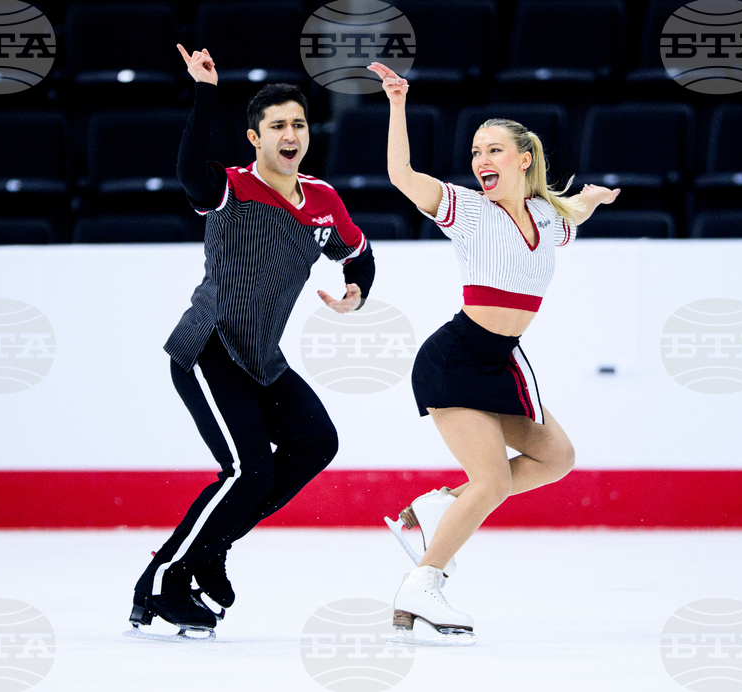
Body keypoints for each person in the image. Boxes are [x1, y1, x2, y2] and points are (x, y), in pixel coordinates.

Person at [126, 46, 376, 641]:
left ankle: (211, 549)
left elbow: (359, 253)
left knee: (315, 441)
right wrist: (204, 92)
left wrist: (355, 292)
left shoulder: (321, 201)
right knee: (246, 470)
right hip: (208, 345)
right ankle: (162, 583)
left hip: (261, 357)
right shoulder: (231, 188)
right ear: (254, 138)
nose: (290, 135)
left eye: (298, 124)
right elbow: (190, 170)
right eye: (277, 127)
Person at [368, 62, 619, 646]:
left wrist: (593, 199)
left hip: (502, 359)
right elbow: (401, 173)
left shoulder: (547, 219)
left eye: (496, 150)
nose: (482, 158)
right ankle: (423, 581)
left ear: (523, 159)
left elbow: (572, 210)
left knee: (556, 457)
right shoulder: (467, 210)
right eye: (477, 149)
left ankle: (435, 509)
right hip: (454, 358)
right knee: (492, 482)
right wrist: (398, 104)